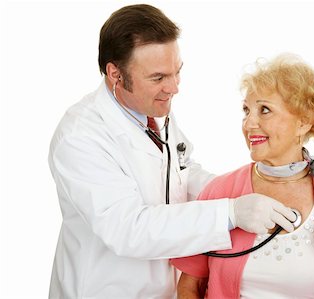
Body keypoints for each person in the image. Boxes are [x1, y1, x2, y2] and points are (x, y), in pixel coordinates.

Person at [47, 4, 297, 298]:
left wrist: (239, 190)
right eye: (158, 78)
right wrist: (228, 213)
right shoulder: (80, 138)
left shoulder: (150, 108)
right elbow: (128, 229)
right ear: (115, 74)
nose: (174, 87)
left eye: (177, 72)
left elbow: (180, 171)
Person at [171, 54, 314, 298]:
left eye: (264, 110)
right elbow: (189, 286)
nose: (249, 123)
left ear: (304, 122)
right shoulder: (219, 192)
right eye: (246, 110)